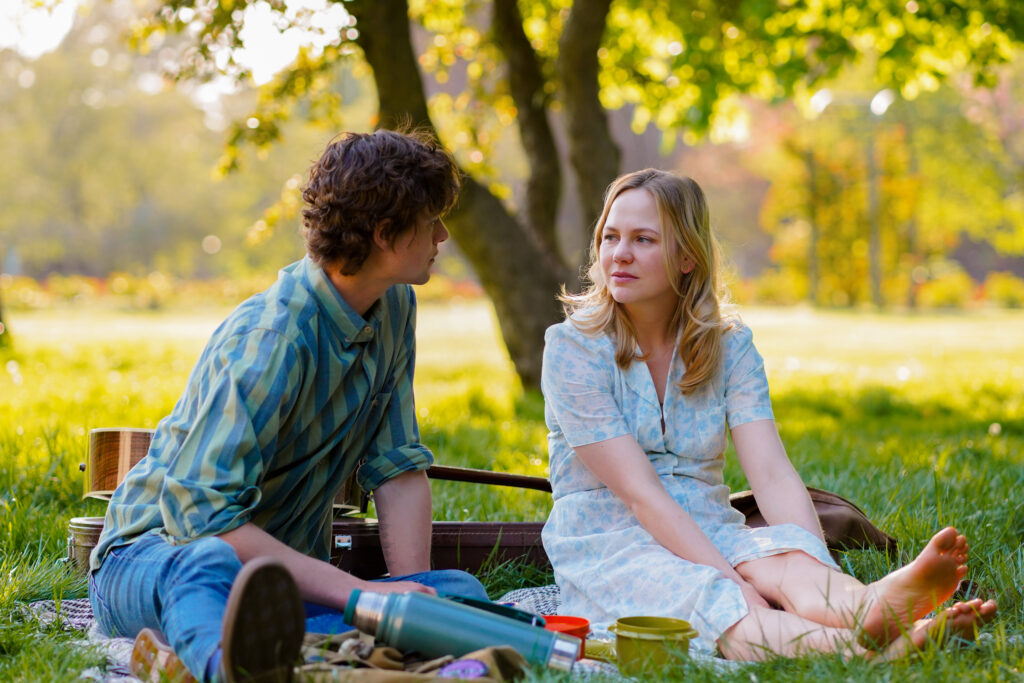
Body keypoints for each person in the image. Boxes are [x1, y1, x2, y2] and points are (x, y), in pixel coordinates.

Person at [539, 168, 997, 661]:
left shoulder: (728, 345)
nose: (620, 253)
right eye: (610, 237)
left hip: (709, 523)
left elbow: (772, 474)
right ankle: (863, 650)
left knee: (788, 565)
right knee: (717, 601)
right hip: (611, 537)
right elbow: (640, 494)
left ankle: (869, 606)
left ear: (687, 257)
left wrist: (813, 560)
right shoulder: (573, 349)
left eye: (643, 239)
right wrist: (731, 581)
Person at [88, 129, 490, 683]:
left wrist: (408, 605)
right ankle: (226, 667)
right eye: (431, 220)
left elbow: (396, 468)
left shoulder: (395, 305)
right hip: (155, 558)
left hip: (282, 577)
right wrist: (360, 593)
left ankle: (244, 645)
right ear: (385, 234)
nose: (443, 234)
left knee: (457, 592)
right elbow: (202, 523)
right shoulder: (271, 339)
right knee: (207, 567)